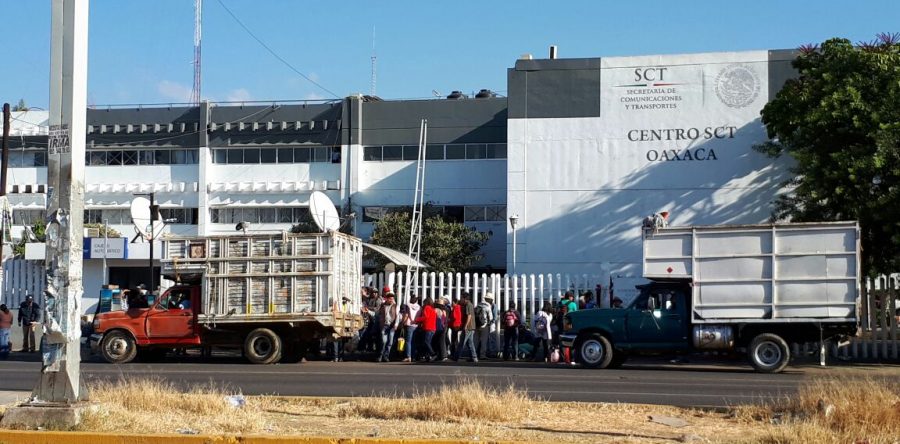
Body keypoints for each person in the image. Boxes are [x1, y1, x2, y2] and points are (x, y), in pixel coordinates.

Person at [453, 293, 478, 363]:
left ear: (465, 298)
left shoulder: (468, 305)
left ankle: (456, 357)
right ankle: (474, 357)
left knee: (462, 342)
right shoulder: (469, 304)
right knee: (470, 343)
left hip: (469, 327)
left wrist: (465, 326)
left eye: (461, 298)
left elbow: (469, 316)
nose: (460, 299)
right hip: (471, 327)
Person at [377, 292, 400, 362]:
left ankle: (386, 356)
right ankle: (380, 355)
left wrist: (396, 324)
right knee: (384, 341)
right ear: (387, 299)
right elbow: (378, 314)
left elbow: (398, 316)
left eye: (392, 299)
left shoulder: (395, 306)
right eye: (390, 299)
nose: (391, 300)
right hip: (384, 325)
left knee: (390, 342)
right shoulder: (382, 306)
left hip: (392, 326)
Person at [415, 297, 437, 361]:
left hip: (428, 327)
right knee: (428, 343)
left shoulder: (427, 308)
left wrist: (417, 320)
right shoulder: (432, 309)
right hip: (433, 328)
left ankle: (433, 354)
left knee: (426, 342)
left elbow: (425, 317)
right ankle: (428, 356)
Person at [401, 295, 421, 362]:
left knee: (408, 341)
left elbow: (406, 315)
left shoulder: (408, 305)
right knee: (413, 341)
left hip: (409, 324)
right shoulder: (419, 307)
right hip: (416, 325)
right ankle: (413, 356)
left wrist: (402, 322)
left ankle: (408, 356)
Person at [474, 293, 494, 359]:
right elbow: (490, 318)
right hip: (484, 326)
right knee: (483, 342)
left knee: (476, 341)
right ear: (490, 300)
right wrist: (489, 324)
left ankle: (474, 354)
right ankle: (482, 355)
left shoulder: (478, 305)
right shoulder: (488, 307)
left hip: (477, 326)